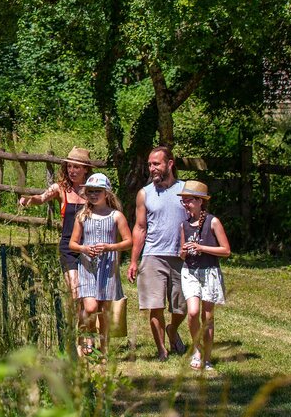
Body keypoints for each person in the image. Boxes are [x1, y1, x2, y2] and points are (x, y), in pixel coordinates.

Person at [126, 146, 188, 360]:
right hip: (153, 254)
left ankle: (173, 329)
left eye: (156, 164)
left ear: (170, 164)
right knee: (155, 305)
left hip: (181, 257)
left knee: (182, 307)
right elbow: (140, 227)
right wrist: (134, 260)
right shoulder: (145, 193)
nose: (152, 168)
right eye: (150, 164)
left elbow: (197, 221)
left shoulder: (186, 190)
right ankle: (162, 350)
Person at [68, 172, 131, 357]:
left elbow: (128, 241)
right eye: (90, 191)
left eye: (98, 191)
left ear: (107, 193)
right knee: (90, 307)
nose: (93, 195)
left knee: (104, 310)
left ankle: (103, 347)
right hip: (88, 267)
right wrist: (84, 249)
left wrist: (110, 246)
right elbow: (72, 243)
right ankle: (88, 338)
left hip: (108, 267)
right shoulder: (82, 216)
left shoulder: (116, 216)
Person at [19, 147, 92, 295]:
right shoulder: (60, 188)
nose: (72, 170)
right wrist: (30, 200)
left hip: (90, 245)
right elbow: (41, 198)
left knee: (91, 297)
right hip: (69, 246)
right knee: (75, 291)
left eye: (76, 167)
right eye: (69, 166)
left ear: (86, 169)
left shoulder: (94, 191)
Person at [179, 180, 231, 371]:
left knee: (207, 316)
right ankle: (197, 350)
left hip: (209, 272)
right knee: (192, 312)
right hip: (190, 271)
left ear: (201, 201)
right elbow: (181, 253)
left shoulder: (213, 222)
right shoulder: (184, 225)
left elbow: (226, 250)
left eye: (189, 200)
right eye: (183, 201)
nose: (186, 204)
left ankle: (207, 358)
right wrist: (184, 251)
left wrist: (201, 247)